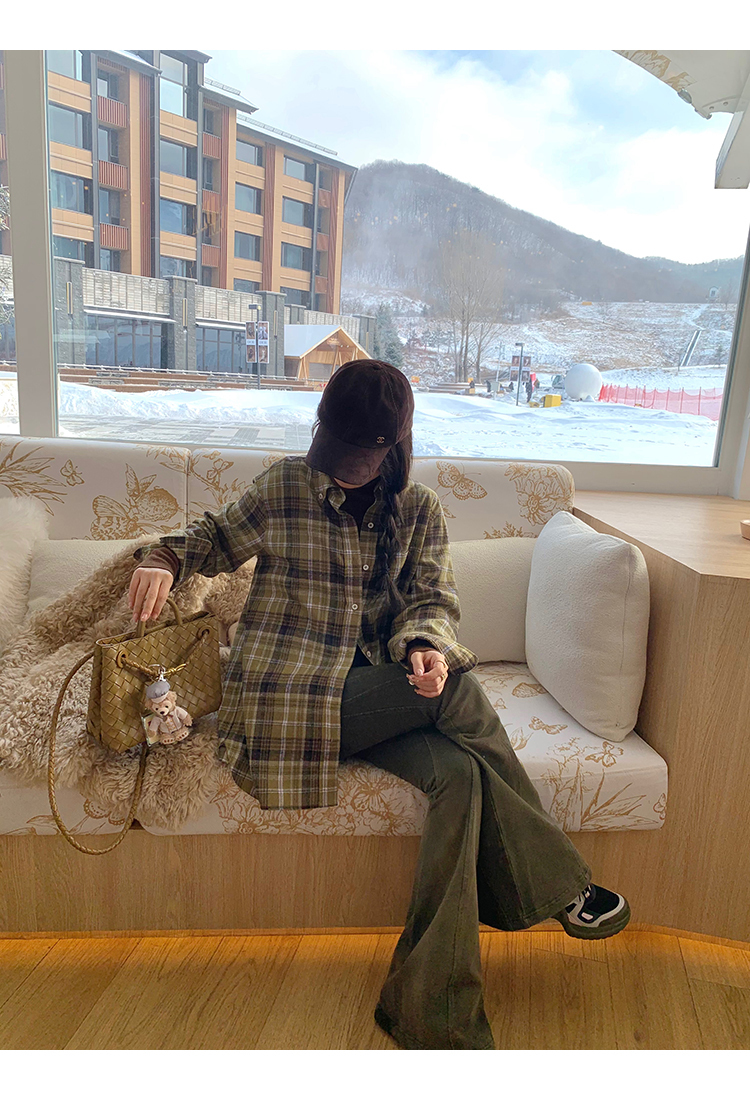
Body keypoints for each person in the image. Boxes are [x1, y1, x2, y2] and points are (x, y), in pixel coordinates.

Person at [128, 358, 630, 1051]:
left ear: (394, 445)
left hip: (373, 700)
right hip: (285, 701)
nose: (344, 470)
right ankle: (563, 882)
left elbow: (433, 599)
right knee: (464, 690)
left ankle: (431, 1012)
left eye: (361, 457)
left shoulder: (418, 511)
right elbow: (214, 537)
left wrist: (425, 647)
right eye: (335, 450)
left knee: (460, 776)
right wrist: (161, 559)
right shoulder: (284, 487)